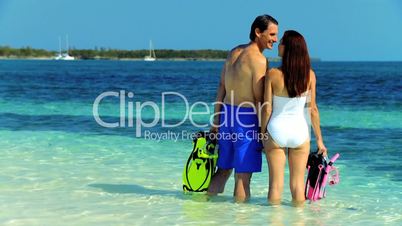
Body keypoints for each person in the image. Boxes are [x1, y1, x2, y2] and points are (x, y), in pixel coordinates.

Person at [207, 14, 279, 202]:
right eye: (271, 34)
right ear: (258, 32)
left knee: (223, 170)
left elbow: (221, 87)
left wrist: (216, 122)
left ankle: (205, 209)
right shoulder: (259, 60)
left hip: (226, 115)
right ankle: (240, 219)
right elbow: (258, 100)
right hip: (246, 119)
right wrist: (264, 132)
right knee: (243, 177)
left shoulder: (234, 52)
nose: (275, 39)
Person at [261, 30, 327, 206]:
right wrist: (320, 141)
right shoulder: (310, 75)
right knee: (298, 186)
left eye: (281, 42)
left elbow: (266, 109)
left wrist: (262, 134)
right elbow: (312, 109)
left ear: (288, 48)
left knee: (275, 185)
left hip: (276, 131)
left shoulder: (273, 74)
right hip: (300, 132)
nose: (278, 44)